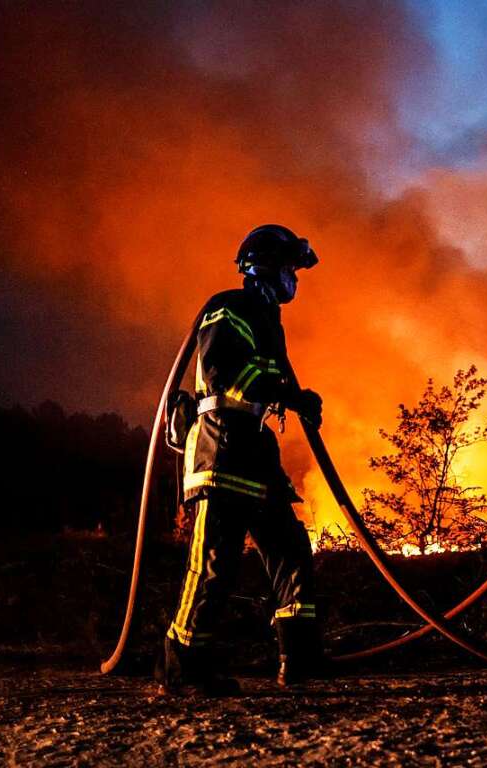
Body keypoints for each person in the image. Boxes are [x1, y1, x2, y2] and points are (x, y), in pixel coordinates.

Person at [156, 224, 326, 694]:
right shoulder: (228, 306)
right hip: (220, 448)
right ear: (270, 266)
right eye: (291, 267)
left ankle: (299, 656)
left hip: (253, 448)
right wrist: (288, 395)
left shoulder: (268, 318)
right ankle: (183, 664)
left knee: (291, 548)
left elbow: (268, 380)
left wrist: (296, 397)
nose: (295, 277)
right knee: (215, 563)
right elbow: (222, 370)